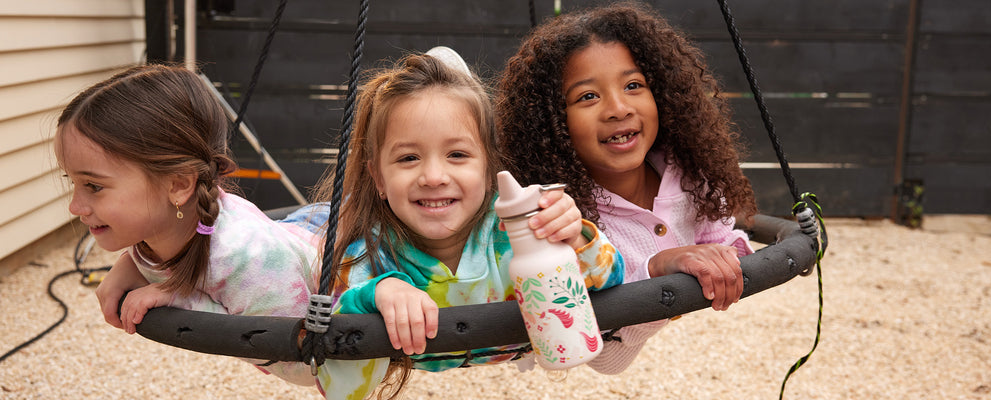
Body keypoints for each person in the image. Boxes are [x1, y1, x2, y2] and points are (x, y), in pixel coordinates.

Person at [310, 50, 625, 399]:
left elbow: (611, 278)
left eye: (457, 155)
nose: (433, 177)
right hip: (337, 232)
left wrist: (576, 237)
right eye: (408, 158)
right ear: (379, 180)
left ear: (490, 169)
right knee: (313, 235)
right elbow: (338, 382)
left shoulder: (516, 230)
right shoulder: (368, 253)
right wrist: (375, 295)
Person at [495, 2, 758, 374]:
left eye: (633, 85)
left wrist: (729, 260)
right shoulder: (564, 213)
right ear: (552, 122)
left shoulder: (688, 173)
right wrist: (656, 266)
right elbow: (600, 348)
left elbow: (722, 238)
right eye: (588, 96)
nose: (618, 108)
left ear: (662, 95)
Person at [56, 64, 320, 386]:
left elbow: (305, 361)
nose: (75, 207)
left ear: (179, 186)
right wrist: (134, 264)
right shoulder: (169, 223)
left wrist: (182, 299)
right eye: (73, 182)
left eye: (93, 186)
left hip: (342, 245)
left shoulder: (246, 260)